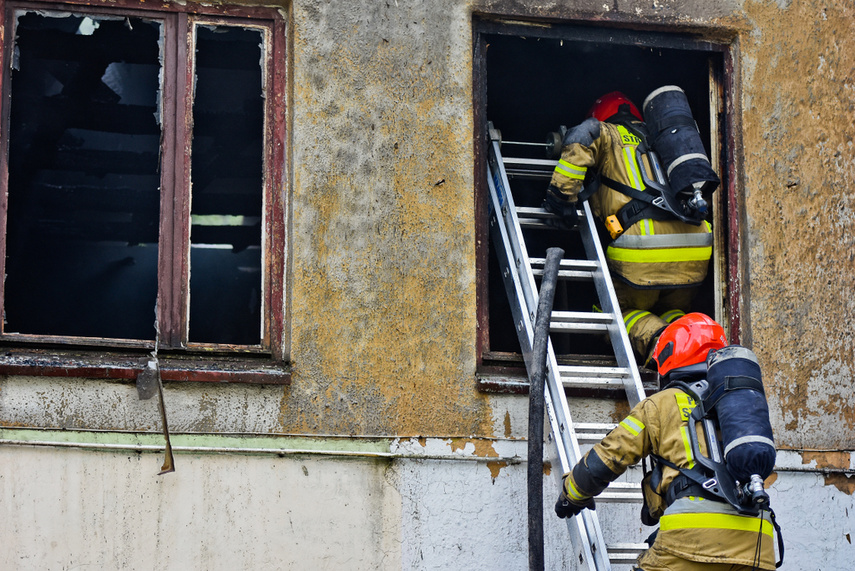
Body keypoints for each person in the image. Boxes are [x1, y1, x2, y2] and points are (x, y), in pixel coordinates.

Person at [553, 313, 778, 570]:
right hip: (758, 541)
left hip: (693, 535)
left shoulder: (662, 404)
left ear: (672, 355)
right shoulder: (740, 404)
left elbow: (610, 456)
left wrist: (572, 493)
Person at [543, 91, 714, 365]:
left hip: (643, 250)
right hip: (696, 249)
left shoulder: (607, 133)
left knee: (616, 312)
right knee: (672, 309)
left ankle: (664, 347)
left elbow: (582, 138)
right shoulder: (664, 139)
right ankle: (697, 354)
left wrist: (560, 196)